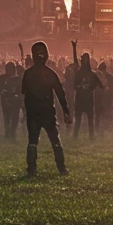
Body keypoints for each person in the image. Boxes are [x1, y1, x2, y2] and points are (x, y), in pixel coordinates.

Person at [21, 41, 72, 177]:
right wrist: (66, 111)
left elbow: (24, 93)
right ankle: (61, 168)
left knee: (33, 140)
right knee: (55, 140)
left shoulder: (28, 74)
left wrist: (25, 111)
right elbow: (60, 93)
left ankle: (32, 169)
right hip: (48, 112)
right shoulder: (50, 74)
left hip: (34, 113)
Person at [71, 41, 102, 140]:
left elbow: (100, 85)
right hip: (81, 98)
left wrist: (91, 87)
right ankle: (75, 136)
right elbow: (75, 86)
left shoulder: (91, 74)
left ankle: (91, 136)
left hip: (87, 99)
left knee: (90, 119)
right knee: (79, 119)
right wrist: (74, 47)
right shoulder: (79, 73)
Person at [0, 61, 23, 140]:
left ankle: (12, 134)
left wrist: (20, 99)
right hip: (6, 101)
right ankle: (8, 134)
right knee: (8, 118)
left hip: (15, 102)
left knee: (14, 119)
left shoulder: (18, 79)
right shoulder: (2, 78)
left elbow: (21, 91)